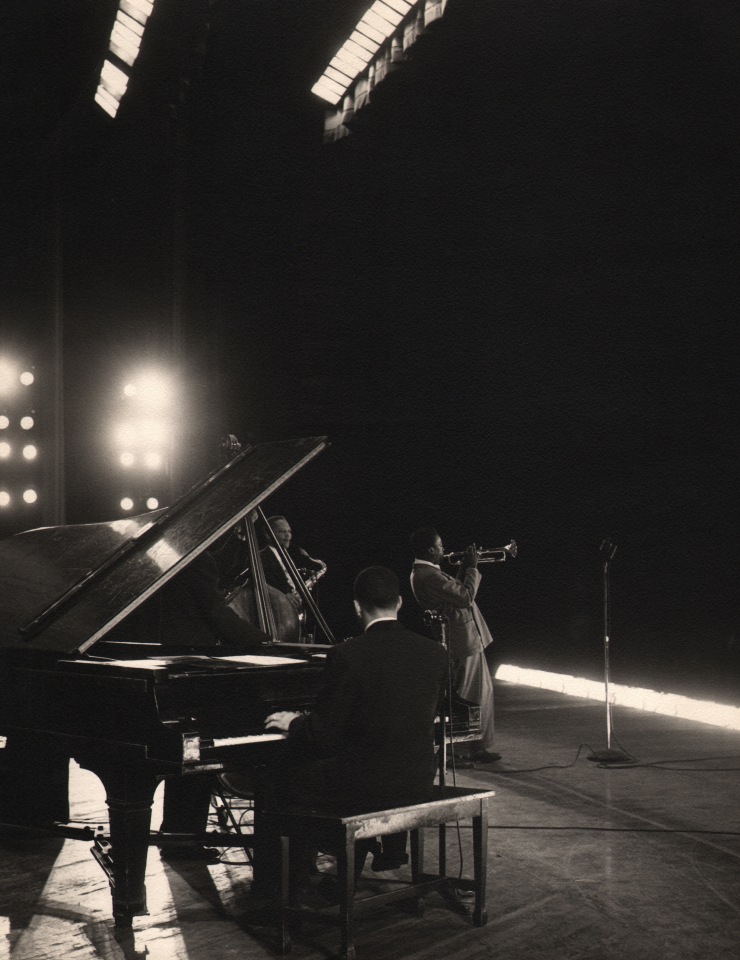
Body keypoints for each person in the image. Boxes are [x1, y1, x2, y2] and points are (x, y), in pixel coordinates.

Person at [244, 565, 448, 900]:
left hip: (366, 784)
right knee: (349, 766)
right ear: (399, 603)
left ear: (357, 607)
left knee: (276, 781)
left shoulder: (347, 654)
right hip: (418, 777)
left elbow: (323, 734)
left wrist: (294, 722)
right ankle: (334, 874)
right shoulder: (433, 652)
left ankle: (279, 896)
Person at [410, 526, 501, 764]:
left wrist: (462, 568)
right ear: (430, 549)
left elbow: (455, 594)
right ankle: (459, 750)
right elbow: (465, 596)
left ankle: (475, 746)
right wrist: (472, 565)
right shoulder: (426, 575)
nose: (444, 549)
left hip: (464, 638)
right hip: (461, 641)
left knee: (480, 694)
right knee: (470, 697)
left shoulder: (426, 572)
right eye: (440, 546)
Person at [260, 515, 326, 607]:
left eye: (289, 531)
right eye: (282, 531)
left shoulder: (287, 557)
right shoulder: (260, 557)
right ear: (267, 534)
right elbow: (261, 585)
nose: (288, 535)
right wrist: (283, 594)